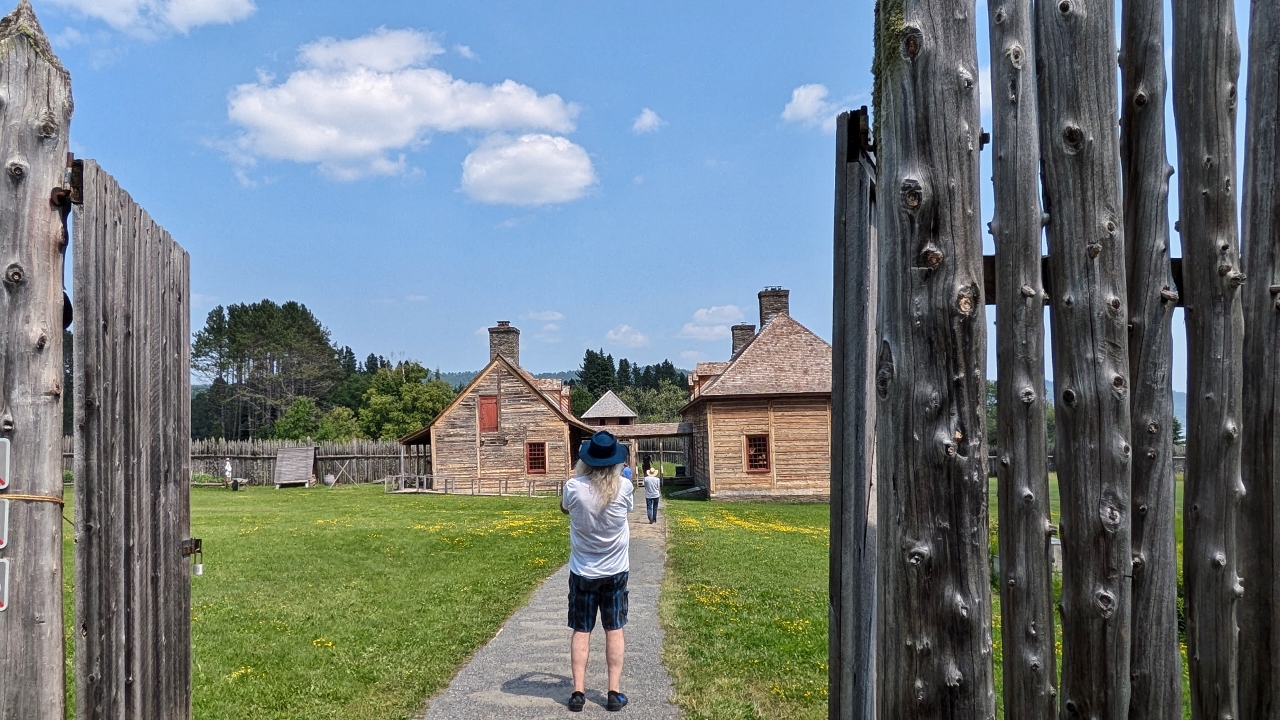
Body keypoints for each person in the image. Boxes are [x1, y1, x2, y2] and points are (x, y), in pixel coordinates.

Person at [561, 431, 634, 712]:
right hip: (615, 569)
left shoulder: (573, 487)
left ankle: (578, 692)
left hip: (582, 570)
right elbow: (625, 511)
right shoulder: (624, 487)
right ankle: (613, 692)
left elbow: (565, 509)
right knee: (614, 628)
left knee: (582, 630)